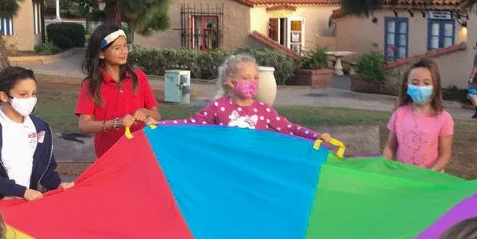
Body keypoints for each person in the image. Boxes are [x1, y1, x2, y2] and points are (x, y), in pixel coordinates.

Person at [161, 53, 332, 144]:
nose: (252, 82)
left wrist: (315, 136)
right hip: (226, 170)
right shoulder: (218, 107)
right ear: (231, 82)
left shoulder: (263, 110)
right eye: (246, 78)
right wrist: (158, 125)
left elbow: (289, 128)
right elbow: (190, 124)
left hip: (255, 169)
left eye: (256, 78)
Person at [0, 68, 71, 202]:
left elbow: (46, 169)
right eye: (23, 94)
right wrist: (22, 191)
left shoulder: (40, 128)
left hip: (26, 205)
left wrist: (58, 184)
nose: (30, 99)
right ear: (3, 96)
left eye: (33, 94)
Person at [76, 24, 160, 158]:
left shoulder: (139, 77)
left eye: (125, 46)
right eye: (117, 48)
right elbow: (84, 125)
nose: (124, 51)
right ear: (102, 54)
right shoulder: (90, 85)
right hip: (109, 157)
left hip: (141, 153)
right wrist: (115, 123)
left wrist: (146, 113)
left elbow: (156, 115)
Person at [382, 60, 454, 171]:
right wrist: (384, 167)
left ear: (435, 85)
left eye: (426, 83)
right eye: (415, 83)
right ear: (407, 86)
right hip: (402, 177)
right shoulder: (399, 114)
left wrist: (431, 173)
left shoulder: (444, 118)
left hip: (429, 180)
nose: (420, 87)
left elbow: (445, 154)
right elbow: (390, 147)